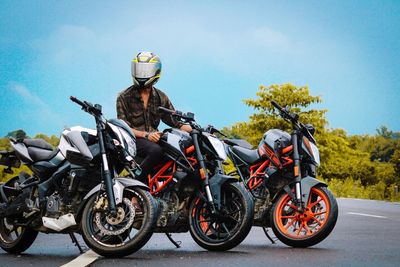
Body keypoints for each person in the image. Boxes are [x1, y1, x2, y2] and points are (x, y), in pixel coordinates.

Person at [116, 52, 192, 183]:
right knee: (156, 151)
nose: (142, 74)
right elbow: (124, 128)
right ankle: (133, 184)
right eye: (139, 70)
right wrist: (146, 135)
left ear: (156, 72)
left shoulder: (160, 97)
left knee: (179, 150)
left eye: (146, 71)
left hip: (154, 139)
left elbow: (175, 121)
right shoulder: (124, 96)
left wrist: (198, 132)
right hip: (132, 140)